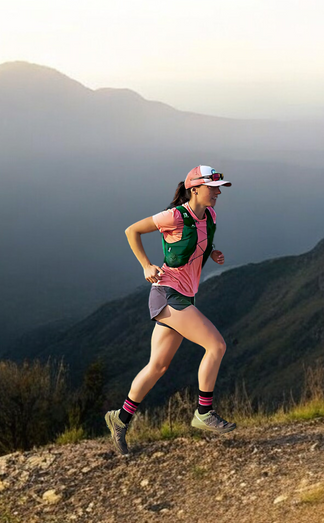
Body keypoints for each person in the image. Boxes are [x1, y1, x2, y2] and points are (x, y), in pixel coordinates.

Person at [104, 165, 236, 456]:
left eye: (219, 188)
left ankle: (119, 419)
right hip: (167, 294)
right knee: (216, 345)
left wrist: (212, 252)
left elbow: (200, 241)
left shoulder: (210, 216)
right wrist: (145, 265)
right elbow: (132, 231)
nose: (217, 193)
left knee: (158, 366)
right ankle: (204, 412)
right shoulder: (174, 216)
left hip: (184, 296)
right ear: (195, 189)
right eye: (212, 188)